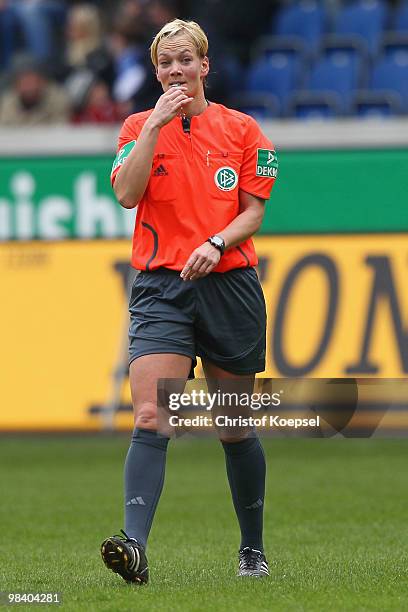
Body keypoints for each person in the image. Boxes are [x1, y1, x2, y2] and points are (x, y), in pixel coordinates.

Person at [100, 18, 278, 584]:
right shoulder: (136, 126)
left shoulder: (243, 129)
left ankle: (252, 549)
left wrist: (217, 241)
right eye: (166, 62)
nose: (176, 70)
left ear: (205, 66)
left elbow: (253, 211)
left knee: (234, 425)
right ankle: (134, 546)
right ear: (155, 71)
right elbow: (127, 194)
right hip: (162, 288)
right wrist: (154, 124)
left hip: (229, 285)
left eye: (185, 59)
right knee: (152, 414)